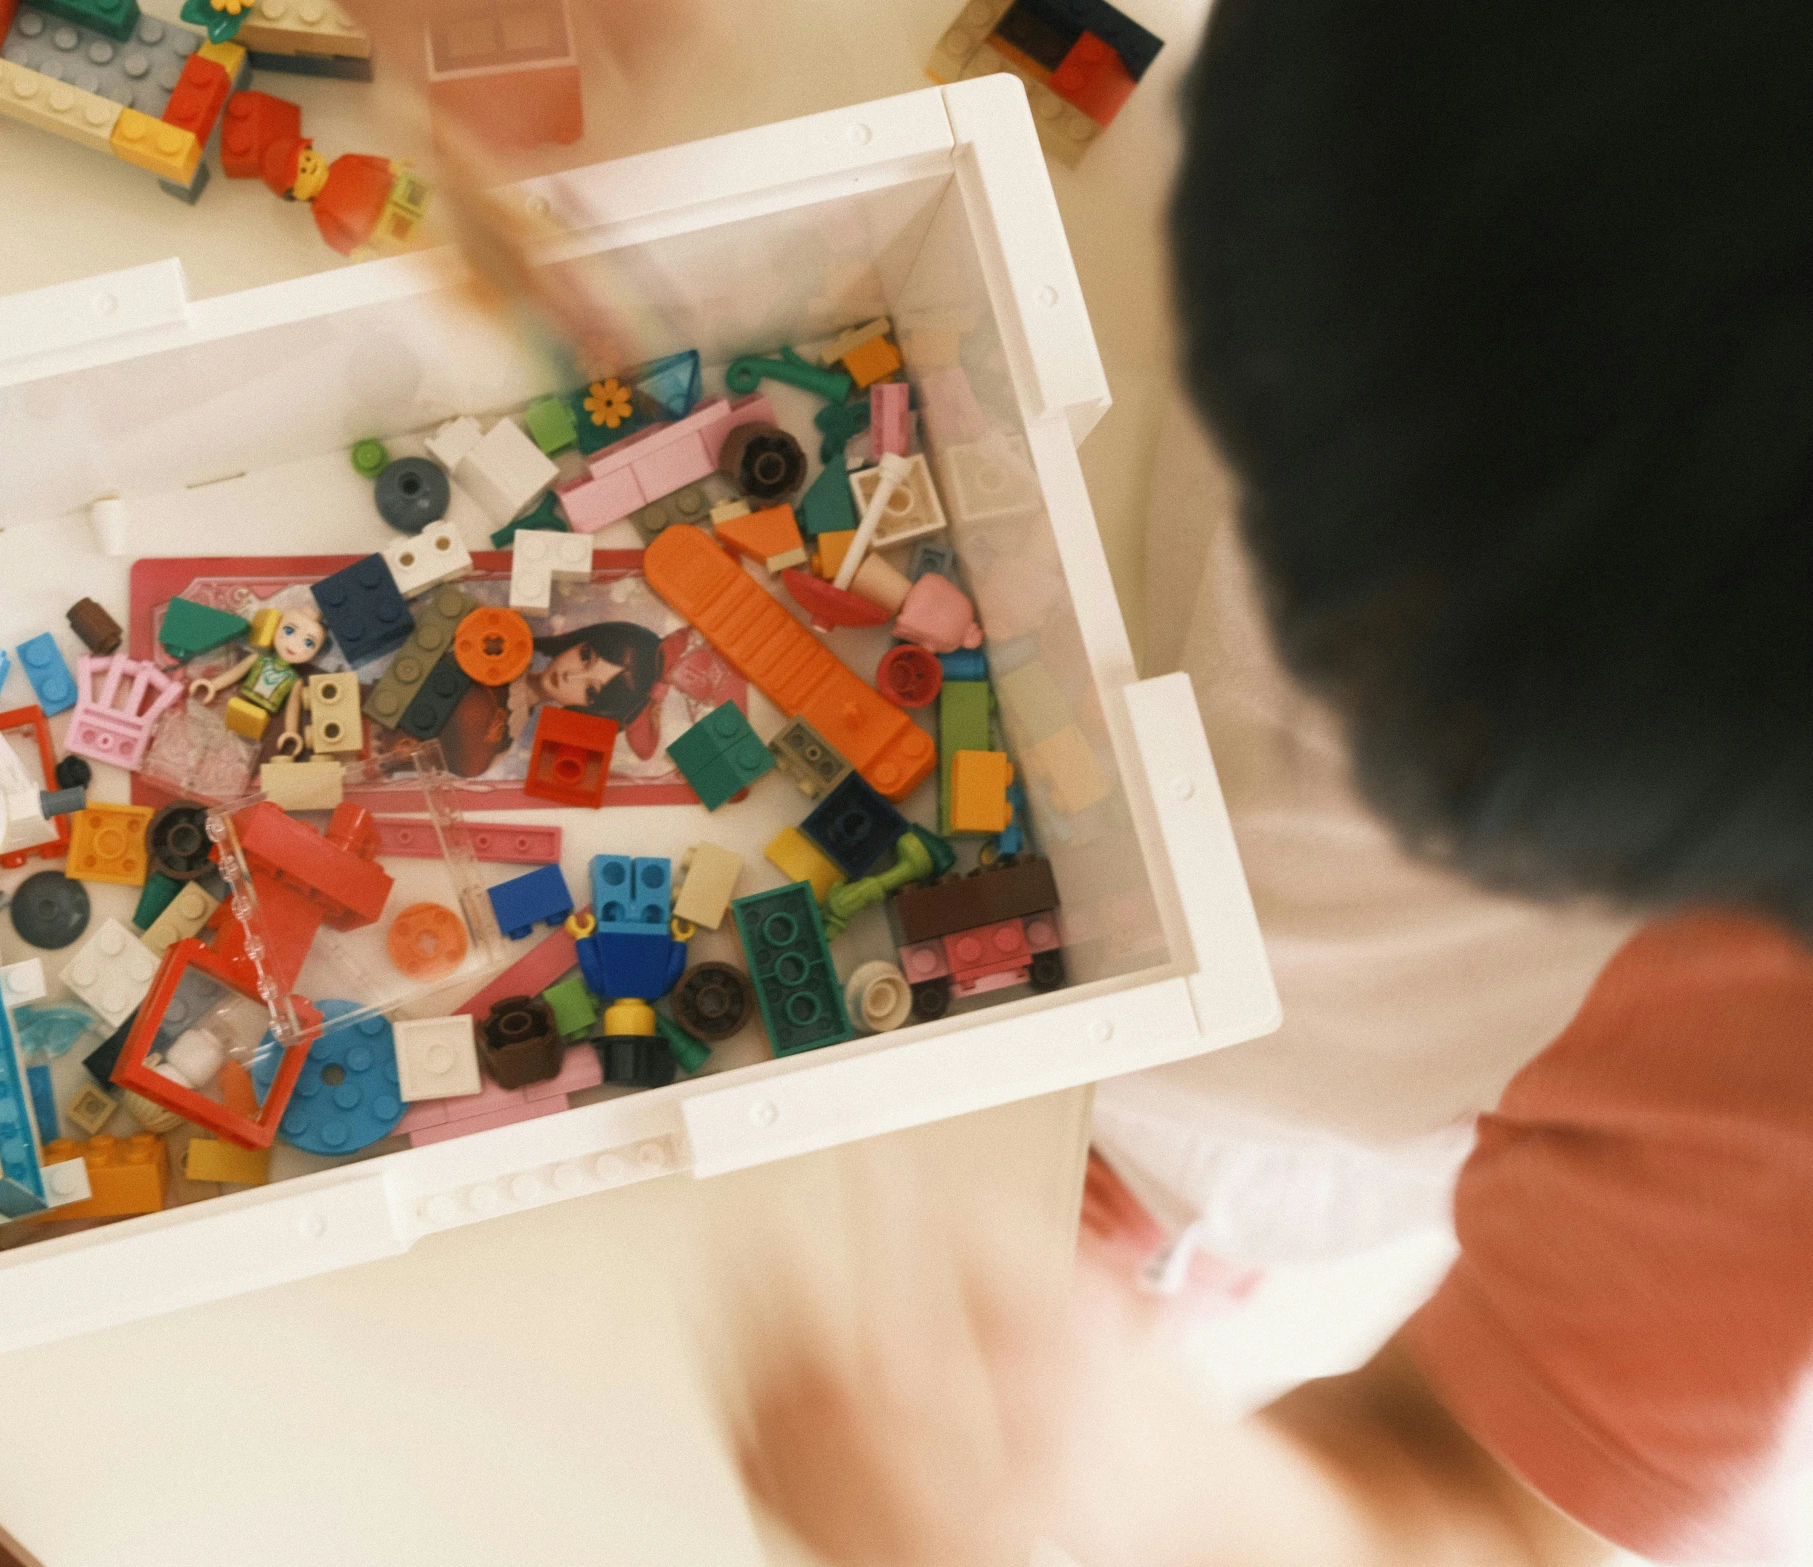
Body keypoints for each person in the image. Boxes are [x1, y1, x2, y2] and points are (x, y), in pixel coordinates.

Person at [735, 2, 1813, 1563]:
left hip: (1156, 1147)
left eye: (1414, 686)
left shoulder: (1771, 1088)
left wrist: (1161, 1508)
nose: (1303, 607)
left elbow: (1488, 1501)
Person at [436, 621, 662, 776]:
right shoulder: (495, 654)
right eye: (585, 656)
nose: (570, 676)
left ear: (591, 713)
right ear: (580, 640)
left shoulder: (508, 735)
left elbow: (467, 768)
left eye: (590, 692)